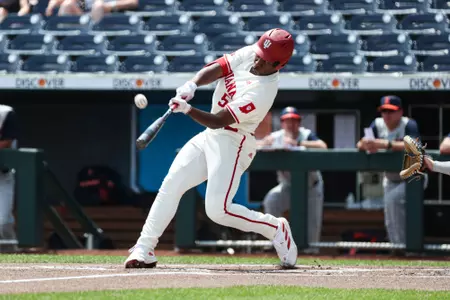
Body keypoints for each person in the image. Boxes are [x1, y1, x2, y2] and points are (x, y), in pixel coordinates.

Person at [125, 28, 298, 269]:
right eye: (258, 54)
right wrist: (192, 84)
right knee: (171, 183)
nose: (257, 60)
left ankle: (276, 228)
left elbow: (219, 120)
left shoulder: (263, 91)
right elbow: (220, 67)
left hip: (234, 142)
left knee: (219, 211)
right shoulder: (254, 52)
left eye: (264, 60)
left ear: (279, 64)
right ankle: (144, 248)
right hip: (210, 136)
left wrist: (187, 109)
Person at [357, 95, 426, 254]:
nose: (387, 115)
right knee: (390, 217)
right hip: (391, 178)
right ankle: (398, 250)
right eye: (384, 111)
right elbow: (360, 144)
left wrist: (386, 144)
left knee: (399, 205)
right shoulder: (378, 124)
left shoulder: (408, 124)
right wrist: (366, 144)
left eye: (391, 111)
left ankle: (409, 249)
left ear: (400, 111)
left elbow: (416, 146)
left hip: (413, 177)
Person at [258, 107, 327, 254]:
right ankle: (276, 242)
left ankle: (311, 253)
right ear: (282, 123)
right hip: (288, 187)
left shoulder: (306, 135)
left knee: (312, 226)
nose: (290, 124)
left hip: (311, 187)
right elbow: (257, 146)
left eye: (294, 120)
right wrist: (265, 142)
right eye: (287, 120)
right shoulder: (276, 136)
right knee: (271, 200)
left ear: (299, 122)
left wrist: (299, 144)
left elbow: (323, 146)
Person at [0, 104, 18, 253]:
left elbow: (7, 141)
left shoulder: (5, 113)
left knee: (3, 222)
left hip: (2, 176)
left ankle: (10, 253)